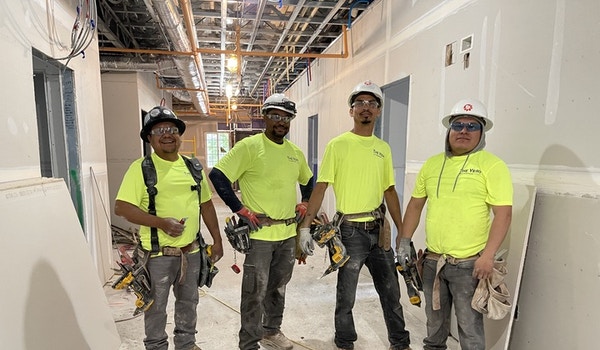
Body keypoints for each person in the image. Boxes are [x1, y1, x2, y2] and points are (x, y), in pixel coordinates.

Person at [298, 80, 412, 350]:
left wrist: (403, 234)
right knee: (346, 294)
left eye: (372, 103)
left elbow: (390, 191)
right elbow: (321, 186)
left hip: (379, 230)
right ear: (351, 111)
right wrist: (305, 227)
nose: (366, 108)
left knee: (391, 292)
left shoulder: (382, 149)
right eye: (360, 103)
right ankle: (345, 341)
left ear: (378, 111)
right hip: (349, 232)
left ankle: (400, 342)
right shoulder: (338, 145)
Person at [397, 99, 513, 350]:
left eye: (472, 126)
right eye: (457, 125)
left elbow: (503, 215)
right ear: (449, 130)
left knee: (469, 329)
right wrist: (404, 241)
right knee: (434, 325)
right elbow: (415, 205)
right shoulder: (432, 164)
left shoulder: (492, 166)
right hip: (432, 262)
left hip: (469, 265)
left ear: (482, 133)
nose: (463, 130)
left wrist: (489, 256)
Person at [208, 94, 313, 350]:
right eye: (275, 116)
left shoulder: (294, 153)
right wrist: (239, 208)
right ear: (264, 117)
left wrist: (306, 202)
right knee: (255, 291)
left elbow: (309, 181)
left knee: (278, 287)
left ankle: (271, 331)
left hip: (287, 234)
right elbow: (218, 176)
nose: (281, 121)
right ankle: (249, 343)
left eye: (286, 117)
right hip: (259, 236)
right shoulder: (250, 147)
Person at [115, 105, 224, 350]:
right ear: (149, 138)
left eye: (172, 129)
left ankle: (186, 344)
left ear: (179, 134)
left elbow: (206, 205)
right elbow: (121, 207)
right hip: (157, 256)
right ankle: (156, 346)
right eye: (160, 130)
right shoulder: (141, 169)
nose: (167, 134)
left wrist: (217, 240)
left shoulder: (192, 167)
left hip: (192, 252)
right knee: (156, 307)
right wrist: (161, 223)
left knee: (189, 302)